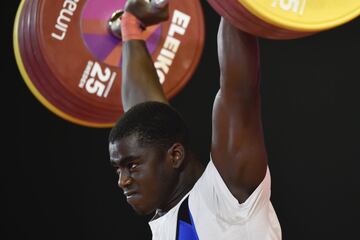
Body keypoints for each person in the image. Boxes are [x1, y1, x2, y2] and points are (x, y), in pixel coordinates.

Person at [108, 0, 282, 239]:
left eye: (132, 166)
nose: (122, 181)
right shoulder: (166, 222)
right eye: (118, 169)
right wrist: (130, 27)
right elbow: (144, 117)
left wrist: (234, 6)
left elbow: (239, 92)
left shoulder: (226, 195)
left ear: (175, 156)